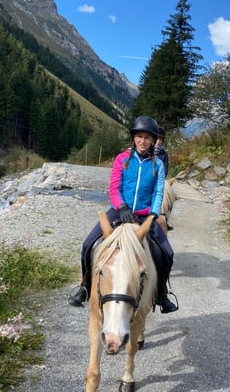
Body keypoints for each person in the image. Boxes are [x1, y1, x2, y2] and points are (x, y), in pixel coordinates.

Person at [68, 116, 178, 313]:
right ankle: (85, 286)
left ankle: (162, 293)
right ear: (133, 138)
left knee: (168, 253)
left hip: (145, 216)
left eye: (147, 137)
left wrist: (153, 214)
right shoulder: (122, 159)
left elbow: (158, 192)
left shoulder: (158, 165)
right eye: (139, 136)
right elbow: (113, 187)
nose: (143, 141)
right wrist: (121, 207)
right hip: (119, 211)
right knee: (88, 245)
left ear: (153, 140)